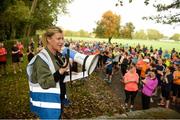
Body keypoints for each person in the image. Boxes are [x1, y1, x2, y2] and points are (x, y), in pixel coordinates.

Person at [27, 26, 69, 119]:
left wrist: (67, 70)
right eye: (58, 38)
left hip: (58, 100)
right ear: (49, 39)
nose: (62, 42)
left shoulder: (57, 55)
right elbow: (45, 83)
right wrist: (61, 70)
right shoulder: (41, 59)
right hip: (48, 104)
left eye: (62, 38)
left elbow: (58, 75)